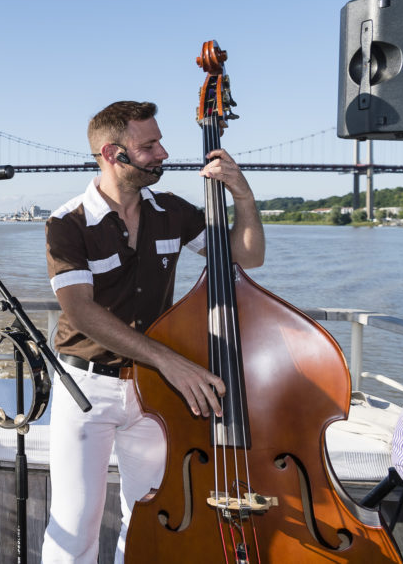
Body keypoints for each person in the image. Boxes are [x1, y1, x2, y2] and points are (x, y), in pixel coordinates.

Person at [40, 100, 265, 564]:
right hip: (87, 388)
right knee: (75, 523)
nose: (163, 152)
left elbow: (246, 258)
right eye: (149, 145)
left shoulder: (173, 212)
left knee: (150, 518)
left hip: (153, 391)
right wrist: (169, 359)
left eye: (159, 141)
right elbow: (81, 312)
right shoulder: (67, 223)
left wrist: (242, 196)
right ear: (112, 153)